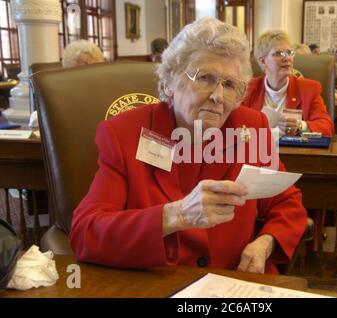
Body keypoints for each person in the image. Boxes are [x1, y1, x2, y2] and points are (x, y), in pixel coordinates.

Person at [69, 18, 307, 274]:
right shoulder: (124, 135)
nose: (218, 96)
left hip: (233, 284)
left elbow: (287, 203)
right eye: (205, 78)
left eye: (229, 85)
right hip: (157, 283)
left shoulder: (250, 127)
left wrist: (265, 242)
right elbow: (86, 232)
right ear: (170, 82)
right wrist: (175, 216)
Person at [241, 30, 334, 137]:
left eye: (290, 53)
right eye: (279, 53)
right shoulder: (248, 89)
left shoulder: (309, 89)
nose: (287, 58)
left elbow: (327, 126)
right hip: (257, 151)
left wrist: (300, 126)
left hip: (293, 152)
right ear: (263, 61)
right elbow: (236, 127)